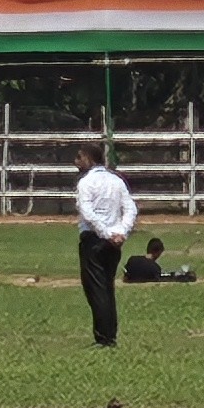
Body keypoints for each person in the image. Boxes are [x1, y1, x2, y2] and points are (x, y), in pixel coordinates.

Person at [71, 135, 134, 348]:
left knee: (95, 289)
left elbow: (87, 212)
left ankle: (104, 338)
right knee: (106, 287)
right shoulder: (116, 180)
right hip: (114, 243)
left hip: (95, 240)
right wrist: (121, 232)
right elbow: (130, 208)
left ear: (89, 159)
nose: (76, 161)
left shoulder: (86, 182)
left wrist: (106, 233)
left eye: (79, 157)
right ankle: (110, 334)